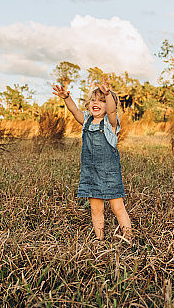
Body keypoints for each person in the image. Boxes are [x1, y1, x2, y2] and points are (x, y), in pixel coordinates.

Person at [53, 80, 132, 241]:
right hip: (90, 173)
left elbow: (111, 111)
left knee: (118, 208)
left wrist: (108, 94)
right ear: (89, 103)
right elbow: (75, 111)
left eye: (102, 101)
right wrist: (66, 98)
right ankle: (99, 240)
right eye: (94, 100)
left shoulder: (110, 123)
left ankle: (129, 238)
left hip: (109, 174)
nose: (97, 103)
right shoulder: (87, 121)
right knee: (96, 210)